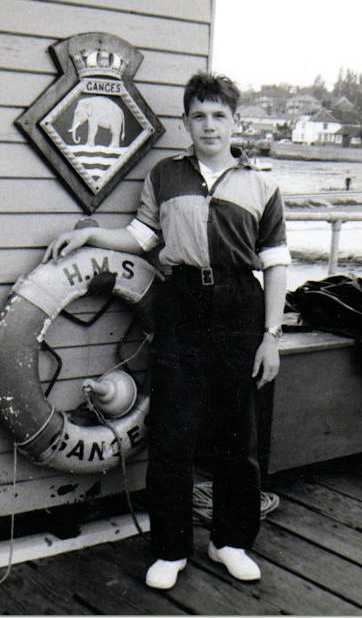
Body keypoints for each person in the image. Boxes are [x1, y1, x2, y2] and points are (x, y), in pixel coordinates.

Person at [43, 72, 291, 590]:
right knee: (173, 434)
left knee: (238, 438)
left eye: (219, 115)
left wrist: (270, 335)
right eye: (198, 115)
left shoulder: (262, 186)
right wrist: (90, 232)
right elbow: (140, 235)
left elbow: (275, 266)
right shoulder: (165, 175)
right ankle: (171, 548)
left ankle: (231, 542)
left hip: (239, 310)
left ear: (235, 122)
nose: (209, 125)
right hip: (180, 305)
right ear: (185, 122)